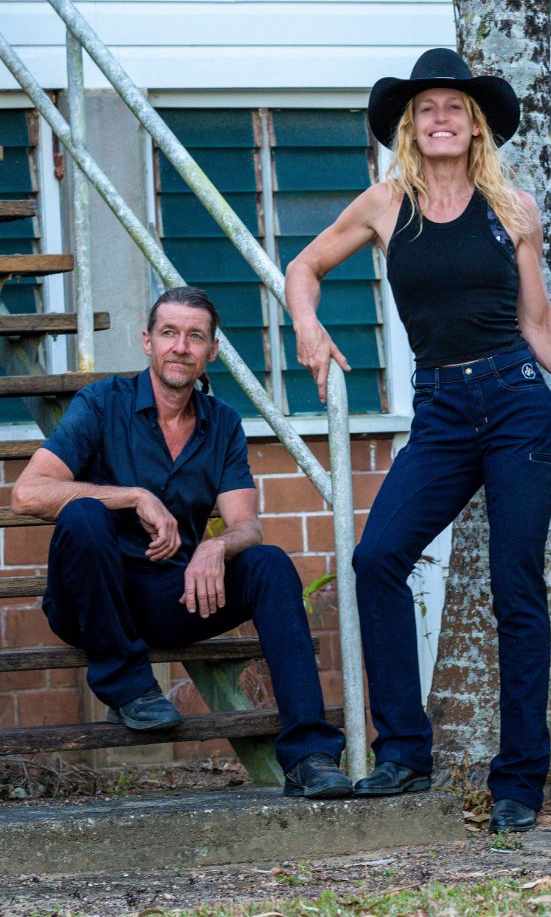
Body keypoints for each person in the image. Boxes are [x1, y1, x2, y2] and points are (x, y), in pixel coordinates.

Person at [285, 48, 551, 832]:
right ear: (411, 126)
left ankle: (520, 779)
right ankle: (405, 749)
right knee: (376, 559)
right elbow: (303, 267)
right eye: (427, 109)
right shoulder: (383, 204)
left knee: (516, 589)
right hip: (439, 411)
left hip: (517, 405)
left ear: (476, 127)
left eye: (455, 108)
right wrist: (309, 328)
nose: (441, 119)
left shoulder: (514, 210)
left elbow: (537, 326)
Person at [11, 286, 351, 799]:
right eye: (169, 333)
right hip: (88, 599)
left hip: (168, 595)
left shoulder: (224, 425)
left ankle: (310, 754)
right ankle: (129, 686)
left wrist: (216, 548)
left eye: (195, 337)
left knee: (270, 564)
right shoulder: (102, 405)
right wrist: (132, 496)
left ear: (212, 350)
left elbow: (246, 524)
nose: (180, 347)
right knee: (83, 515)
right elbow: (28, 493)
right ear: (147, 341)